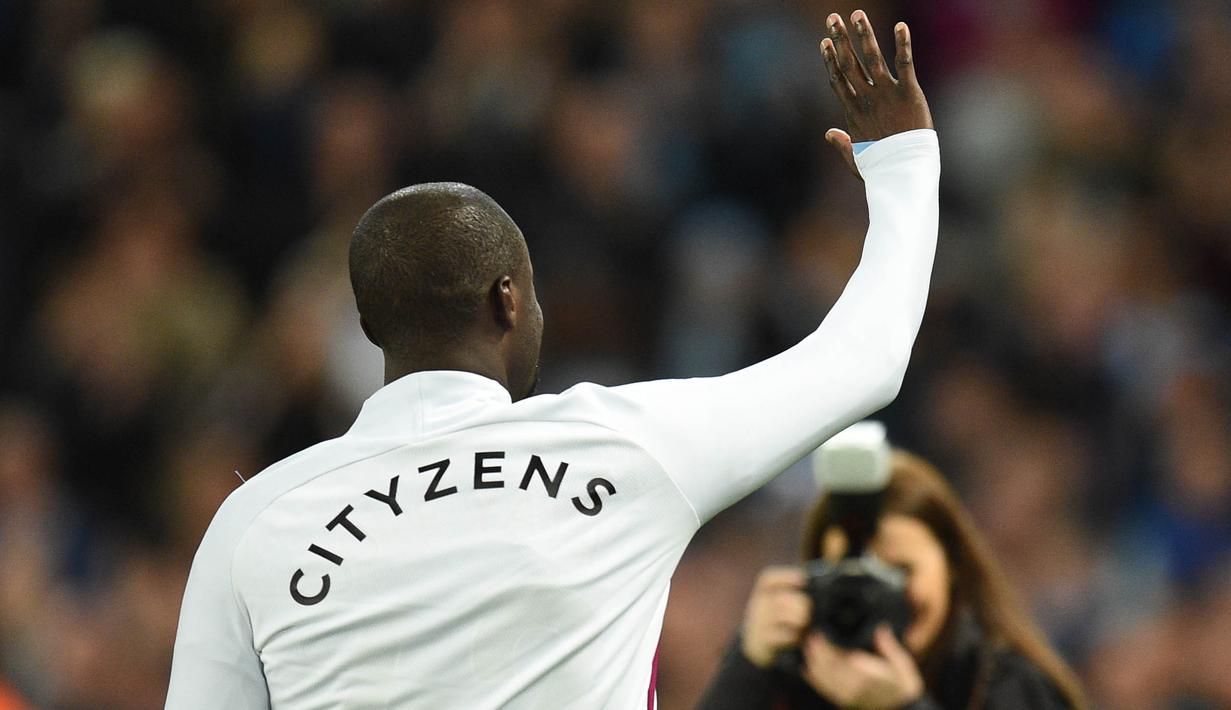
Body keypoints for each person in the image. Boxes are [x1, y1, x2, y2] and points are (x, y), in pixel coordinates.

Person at [166, 10, 939, 709]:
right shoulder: (625, 449)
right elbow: (864, 357)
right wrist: (901, 160)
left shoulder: (254, 524)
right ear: (508, 301)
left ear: (370, 325)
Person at [696, 450, 1089, 710]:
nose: (873, 592)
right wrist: (747, 666)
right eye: (847, 571)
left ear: (952, 565)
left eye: (899, 571)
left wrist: (904, 707)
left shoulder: (1008, 686)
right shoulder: (795, 678)